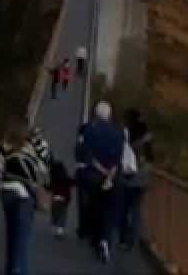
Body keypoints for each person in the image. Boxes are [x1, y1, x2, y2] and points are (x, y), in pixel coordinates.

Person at [0, 123, 48, 275]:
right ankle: (18, 270)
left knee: (11, 235)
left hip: (7, 193)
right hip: (25, 195)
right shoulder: (32, 148)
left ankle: (10, 269)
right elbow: (42, 171)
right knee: (21, 239)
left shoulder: (4, 147)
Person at [77, 101, 126, 263]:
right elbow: (118, 159)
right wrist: (110, 174)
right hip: (112, 179)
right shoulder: (119, 133)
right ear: (109, 115)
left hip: (93, 176)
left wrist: (101, 170)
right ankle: (105, 240)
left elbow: (86, 155)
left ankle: (94, 236)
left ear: (96, 114)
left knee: (94, 205)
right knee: (109, 209)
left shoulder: (89, 129)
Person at [119, 108, 154, 251]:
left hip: (128, 176)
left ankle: (125, 238)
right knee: (136, 208)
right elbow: (151, 158)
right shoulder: (147, 137)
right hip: (143, 177)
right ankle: (133, 239)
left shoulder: (127, 134)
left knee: (124, 207)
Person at [47, 160, 75, 239]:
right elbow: (73, 182)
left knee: (55, 212)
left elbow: (49, 187)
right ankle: (60, 230)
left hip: (55, 198)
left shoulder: (54, 180)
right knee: (63, 214)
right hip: (64, 199)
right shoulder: (66, 179)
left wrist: (45, 186)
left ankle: (54, 222)